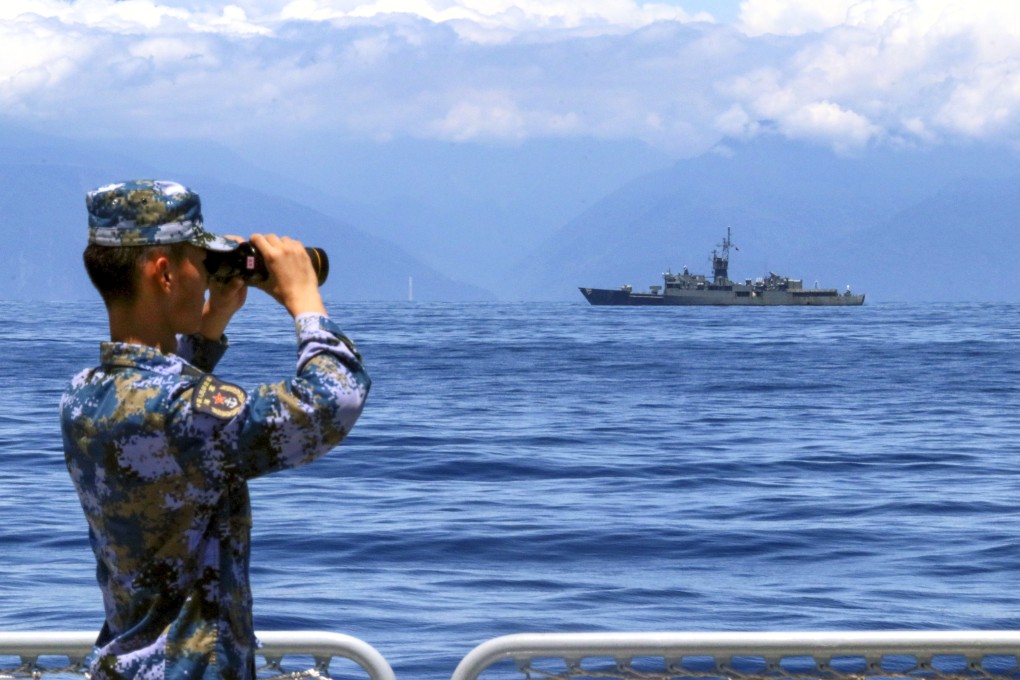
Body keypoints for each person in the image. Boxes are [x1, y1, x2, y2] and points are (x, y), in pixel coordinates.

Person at [60, 179, 371, 680]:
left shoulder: (82, 395)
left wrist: (209, 325)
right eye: (198, 262)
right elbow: (331, 402)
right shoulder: (180, 413)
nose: (206, 277)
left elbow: (160, 413)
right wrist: (304, 302)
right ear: (164, 273)